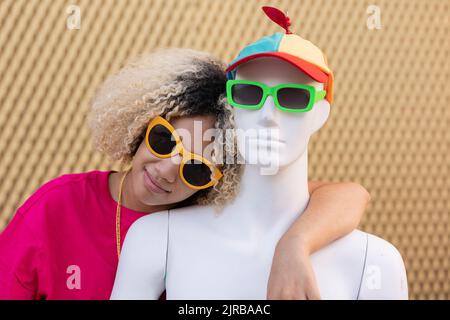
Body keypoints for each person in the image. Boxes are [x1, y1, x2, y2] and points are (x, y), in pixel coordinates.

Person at [0, 48, 370, 300]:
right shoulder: (56, 208)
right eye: (164, 140)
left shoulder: (211, 215)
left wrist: (295, 245)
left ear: (218, 179)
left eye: (196, 168)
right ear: (139, 125)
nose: (165, 172)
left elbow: (349, 194)